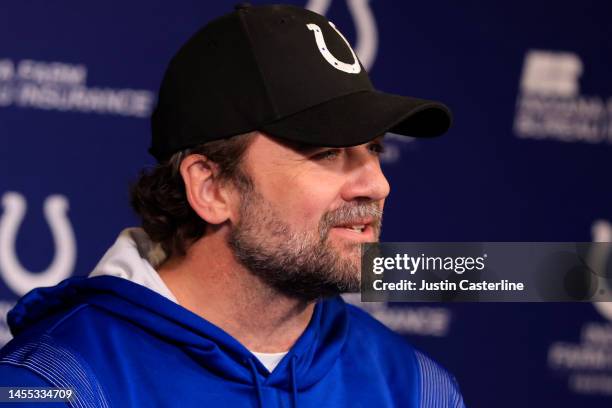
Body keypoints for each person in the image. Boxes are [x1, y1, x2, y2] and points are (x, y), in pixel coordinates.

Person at [0, 4, 464, 407]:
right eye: (327, 152)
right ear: (212, 188)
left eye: (374, 149)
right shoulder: (56, 388)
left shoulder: (415, 389)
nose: (377, 185)